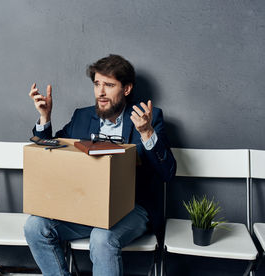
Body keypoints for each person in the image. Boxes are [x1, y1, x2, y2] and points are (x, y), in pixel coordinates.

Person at [25, 54, 176, 276]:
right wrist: (45, 118)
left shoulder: (148, 118)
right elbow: (54, 150)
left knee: (102, 237)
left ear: (126, 89)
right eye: (97, 84)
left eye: (109, 85)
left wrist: (146, 132)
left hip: (133, 209)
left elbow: (168, 173)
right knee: (34, 226)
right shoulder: (82, 117)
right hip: (86, 207)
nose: (100, 92)